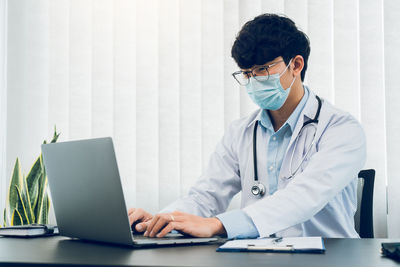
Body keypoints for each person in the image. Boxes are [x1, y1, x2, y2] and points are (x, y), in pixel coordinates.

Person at [128, 13, 366, 239]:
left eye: (262, 69)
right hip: (258, 255)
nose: (254, 80)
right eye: (246, 73)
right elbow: (205, 196)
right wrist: (162, 220)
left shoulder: (341, 129)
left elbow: (303, 197)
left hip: (328, 256)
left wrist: (218, 225)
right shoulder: (241, 131)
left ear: (296, 65)